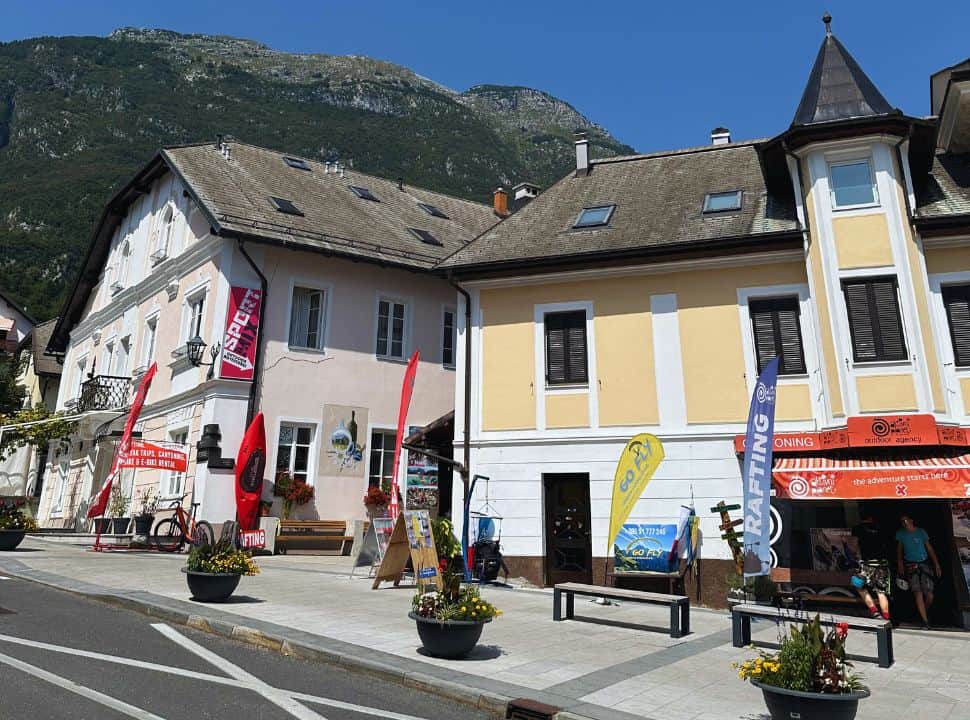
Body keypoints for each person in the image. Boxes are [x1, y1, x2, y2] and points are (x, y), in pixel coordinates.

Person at [895, 514, 942, 630]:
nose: (905, 523)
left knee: (930, 595)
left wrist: (936, 564)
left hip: (924, 563)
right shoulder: (900, 534)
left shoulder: (921, 532)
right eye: (902, 521)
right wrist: (900, 564)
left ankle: (923, 613)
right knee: (917, 592)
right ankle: (925, 620)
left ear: (911, 520)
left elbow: (929, 548)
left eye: (906, 520)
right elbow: (899, 551)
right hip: (910, 565)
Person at [851, 513, 891, 620]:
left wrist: (854, 554)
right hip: (882, 564)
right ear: (871, 518)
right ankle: (886, 618)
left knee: (859, 585)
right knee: (881, 592)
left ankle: (875, 612)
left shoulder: (857, 529)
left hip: (868, 564)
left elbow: (854, 545)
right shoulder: (879, 528)